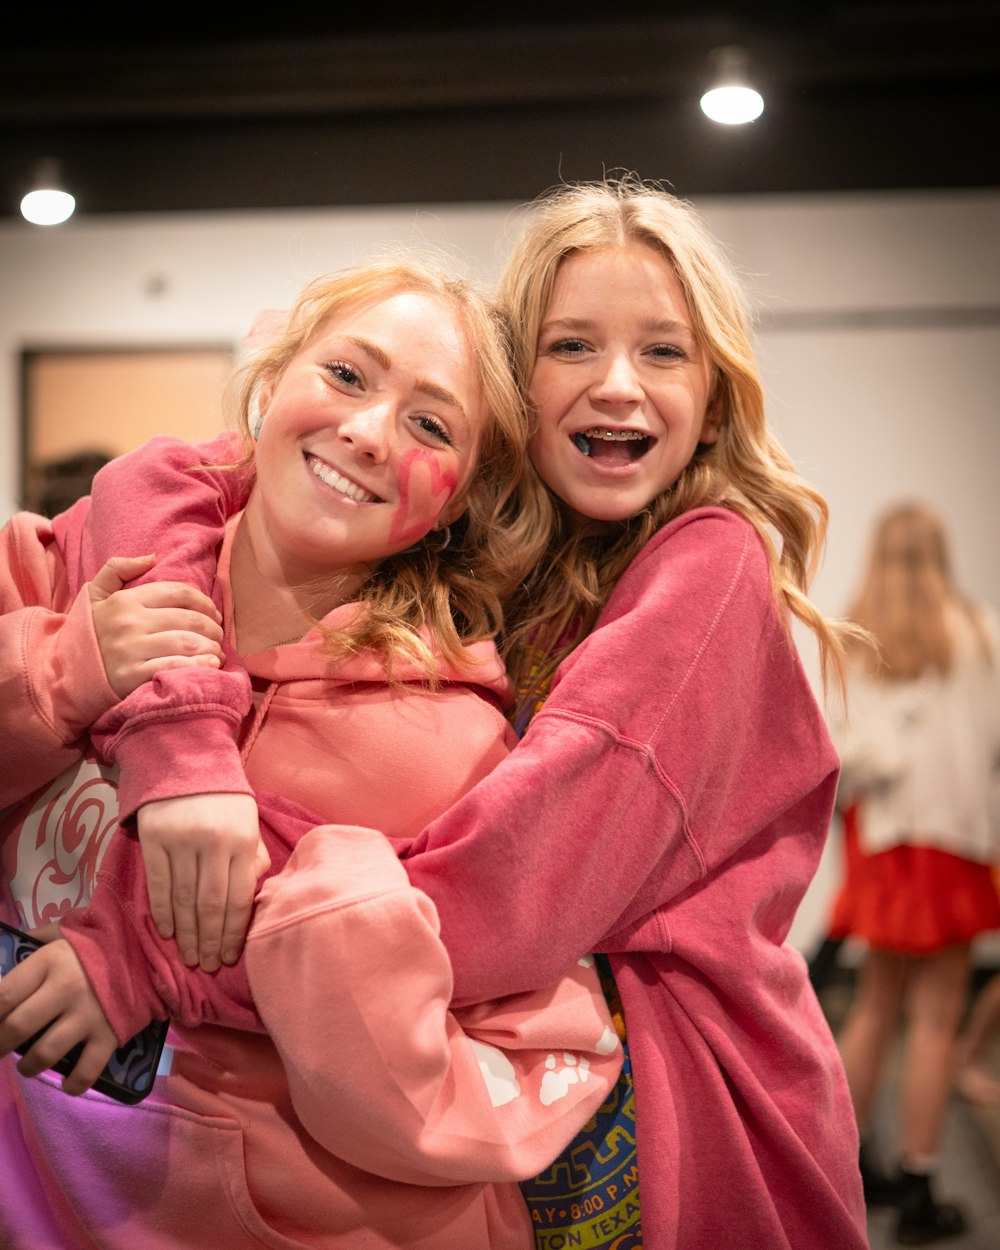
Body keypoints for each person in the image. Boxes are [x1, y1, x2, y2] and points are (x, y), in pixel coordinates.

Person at [15, 176, 870, 1249]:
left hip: (664, 1095)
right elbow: (170, 473)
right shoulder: (500, 545)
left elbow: (505, 891)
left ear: (714, 392)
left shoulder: (705, 567)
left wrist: (153, 952)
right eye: (570, 346)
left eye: (664, 351)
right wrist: (181, 741)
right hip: (479, 1072)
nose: (617, 385)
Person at [0, 256, 624, 1250]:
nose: (367, 431)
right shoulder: (82, 560)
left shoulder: (441, 733)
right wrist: (74, 667)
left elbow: (443, 1011)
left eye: (430, 424)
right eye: (345, 374)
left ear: (459, 498)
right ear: (275, 375)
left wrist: (153, 949)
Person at [826, 501, 1000, 1244]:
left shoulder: (855, 640)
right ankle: (921, 1182)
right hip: (955, 841)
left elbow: (838, 753)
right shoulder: (981, 633)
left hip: (883, 841)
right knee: (934, 1020)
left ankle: (840, 1164)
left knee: (872, 1006)